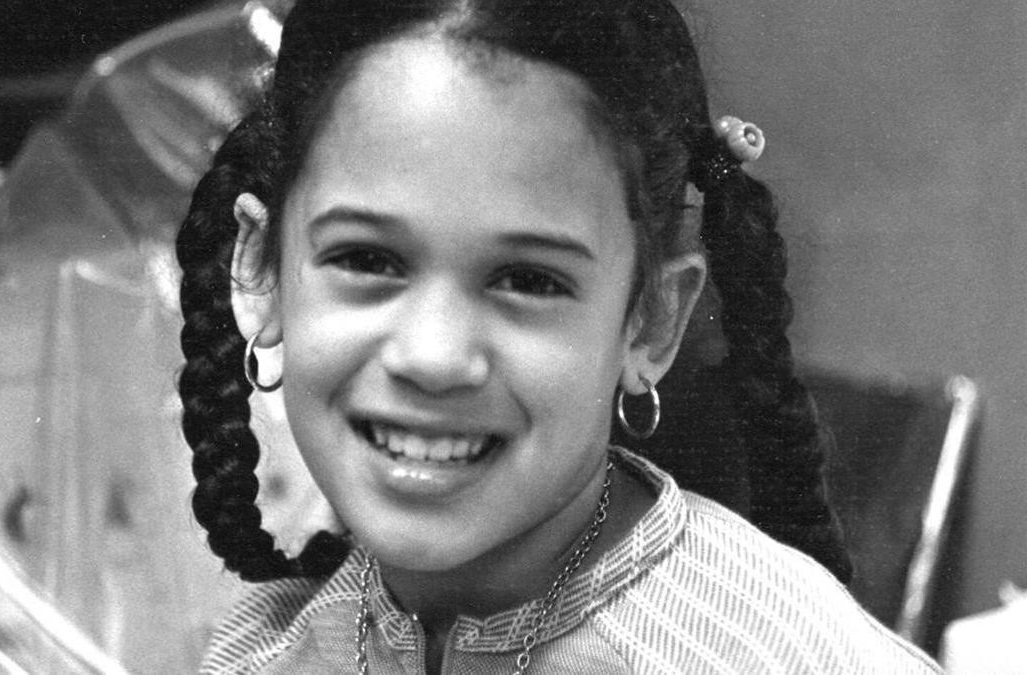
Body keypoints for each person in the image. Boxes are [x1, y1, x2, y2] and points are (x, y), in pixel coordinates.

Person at [175, 0, 941, 672]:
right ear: (263, 273)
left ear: (650, 319)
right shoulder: (264, 647)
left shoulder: (766, 654)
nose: (435, 357)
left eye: (528, 280)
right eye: (367, 260)